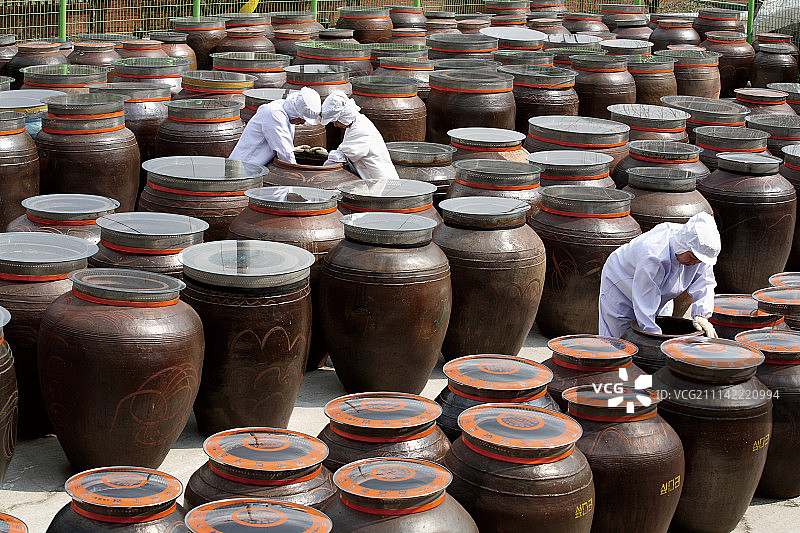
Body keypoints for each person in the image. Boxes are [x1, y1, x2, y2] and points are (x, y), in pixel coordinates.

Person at [598, 212, 721, 339]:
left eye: (699, 260)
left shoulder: (700, 248)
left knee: (661, 322)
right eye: (692, 257)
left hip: (656, 289)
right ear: (683, 245)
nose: (694, 263)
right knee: (620, 337)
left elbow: (705, 281)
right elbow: (645, 301)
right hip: (622, 282)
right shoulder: (653, 254)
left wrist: (701, 314)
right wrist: (655, 340)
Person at [229, 87, 321, 167]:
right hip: (244, 167)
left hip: (256, 167)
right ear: (295, 112)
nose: (302, 122)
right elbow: (285, 153)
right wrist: (297, 174)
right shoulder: (274, 114)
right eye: (302, 118)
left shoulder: (285, 113)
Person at [320, 91, 399, 182]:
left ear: (344, 116)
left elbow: (344, 154)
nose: (335, 124)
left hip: (382, 181)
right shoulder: (356, 123)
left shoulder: (360, 129)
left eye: (336, 120)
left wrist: (322, 172)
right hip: (372, 178)